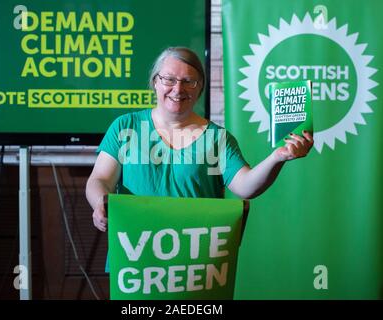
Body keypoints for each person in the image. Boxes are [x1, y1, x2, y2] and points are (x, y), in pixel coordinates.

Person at [86, 47, 314, 232]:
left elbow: (245, 187)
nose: (178, 89)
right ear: (155, 81)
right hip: (133, 256)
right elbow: (100, 179)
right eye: (169, 79)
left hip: (198, 259)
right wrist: (99, 204)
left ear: (200, 88)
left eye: (189, 81)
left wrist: (277, 158)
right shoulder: (126, 127)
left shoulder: (217, 137)